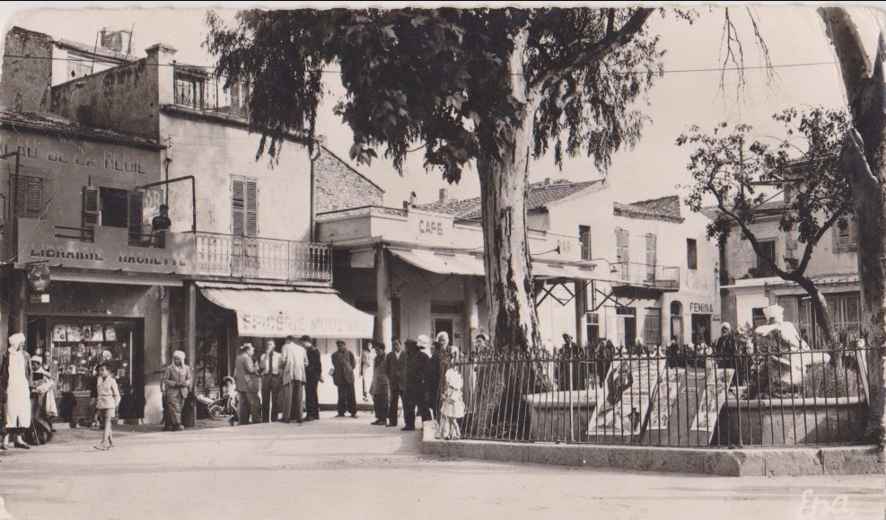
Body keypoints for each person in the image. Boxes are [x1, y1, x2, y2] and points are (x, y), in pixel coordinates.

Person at [1, 333, 32, 450]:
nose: (22, 345)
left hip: (22, 388)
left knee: (22, 412)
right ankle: (5, 440)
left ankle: (19, 439)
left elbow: (29, 372)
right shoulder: (6, 356)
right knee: (10, 413)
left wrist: (30, 386)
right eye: (21, 343)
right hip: (10, 387)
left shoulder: (26, 356)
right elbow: (3, 374)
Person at [401, 336, 432, 431]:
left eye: (407, 346)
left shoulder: (423, 356)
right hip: (409, 386)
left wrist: (421, 379)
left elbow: (427, 371)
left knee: (423, 407)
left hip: (419, 386)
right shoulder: (407, 356)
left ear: (413, 347)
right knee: (408, 407)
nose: (406, 348)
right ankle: (409, 425)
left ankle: (427, 426)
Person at [438, 346, 465, 440]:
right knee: (448, 415)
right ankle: (450, 433)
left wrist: (449, 393)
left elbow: (452, 384)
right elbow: (446, 383)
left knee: (451, 416)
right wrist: (445, 393)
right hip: (450, 393)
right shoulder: (449, 371)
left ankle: (457, 432)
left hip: (453, 394)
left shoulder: (454, 373)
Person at [280, 335, 308, 423]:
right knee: (299, 397)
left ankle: (286, 417)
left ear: (287, 340)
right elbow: (306, 363)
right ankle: (299, 417)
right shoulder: (302, 349)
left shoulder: (285, 347)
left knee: (288, 396)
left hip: (289, 374)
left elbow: (283, 360)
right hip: (300, 374)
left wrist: (280, 367)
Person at [163, 350, 193, 431]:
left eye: (179, 359)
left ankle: (172, 424)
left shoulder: (186, 368)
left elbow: (189, 378)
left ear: (182, 359)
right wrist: (175, 383)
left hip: (183, 392)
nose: (177, 361)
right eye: (175, 359)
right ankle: (178, 424)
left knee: (180, 408)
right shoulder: (169, 368)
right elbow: (165, 380)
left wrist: (186, 383)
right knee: (175, 408)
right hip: (172, 392)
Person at [93, 362, 120, 451]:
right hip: (101, 404)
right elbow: (98, 393)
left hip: (109, 404)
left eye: (103, 370)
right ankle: (111, 442)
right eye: (99, 370)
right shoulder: (99, 380)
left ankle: (104, 443)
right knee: (105, 424)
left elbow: (117, 395)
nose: (101, 372)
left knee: (107, 423)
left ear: (108, 371)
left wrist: (115, 405)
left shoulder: (112, 381)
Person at [234, 343, 261, 425]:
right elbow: (250, 370)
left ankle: (243, 421)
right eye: (252, 350)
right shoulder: (247, 358)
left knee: (243, 403)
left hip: (240, 384)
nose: (253, 351)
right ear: (248, 350)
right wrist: (256, 367)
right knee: (254, 402)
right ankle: (256, 420)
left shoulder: (238, 357)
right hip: (248, 383)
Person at [331, 340, 358, 418]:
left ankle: (353, 412)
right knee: (341, 395)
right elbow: (334, 365)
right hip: (340, 378)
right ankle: (341, 412)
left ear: (344, 345)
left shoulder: (350, 353)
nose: (340, 347)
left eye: (341, 345)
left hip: (349, 377)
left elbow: (353, 365)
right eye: (338, 345)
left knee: (351, 395)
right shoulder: (334, 355)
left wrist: (347, 369)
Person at [260, 340, 283, 423]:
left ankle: (274, 418)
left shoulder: (278, 355)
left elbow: (281, 367)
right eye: (268, 344)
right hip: (266, 376)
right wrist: (266, 355)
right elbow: (261, 366)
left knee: (275, 398)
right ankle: (265, 419)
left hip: (275, 376)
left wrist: (280, 377)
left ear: (274, 346)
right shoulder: (263, 356)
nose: (269, 346)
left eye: (271, 344)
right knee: (265, 398)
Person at [385, 339, 404, 427]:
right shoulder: (389, 355)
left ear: (400, 344)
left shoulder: (405, 354)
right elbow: (386, 368)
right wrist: (390, 377)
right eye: (394, 345)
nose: (395, 346)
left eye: (397, 344)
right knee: (393, 403)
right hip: (394, 383)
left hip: (403, 383)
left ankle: (408, 423)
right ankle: (393, 422)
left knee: (406, 403)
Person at [369, 342, 389, 426]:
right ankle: (379, 418)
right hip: (376, 381)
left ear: (382, 349)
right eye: (376, 350)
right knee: (376, 400)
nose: (376, 351)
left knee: (383, 401)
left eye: (378, 350)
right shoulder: (376, 358)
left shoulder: (387, 358)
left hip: (384, 382)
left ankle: (383, 419)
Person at [304, 337, 323, 421]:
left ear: (308, 342)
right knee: (313, 395)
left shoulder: (313, 351)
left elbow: (317, 365)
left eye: (303, 342)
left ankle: (310, 414)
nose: (303, 344)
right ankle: (315, 414)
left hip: (311, 376)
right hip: (312, 376)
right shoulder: (310, 350)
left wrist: (306, 368)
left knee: (310, 395)